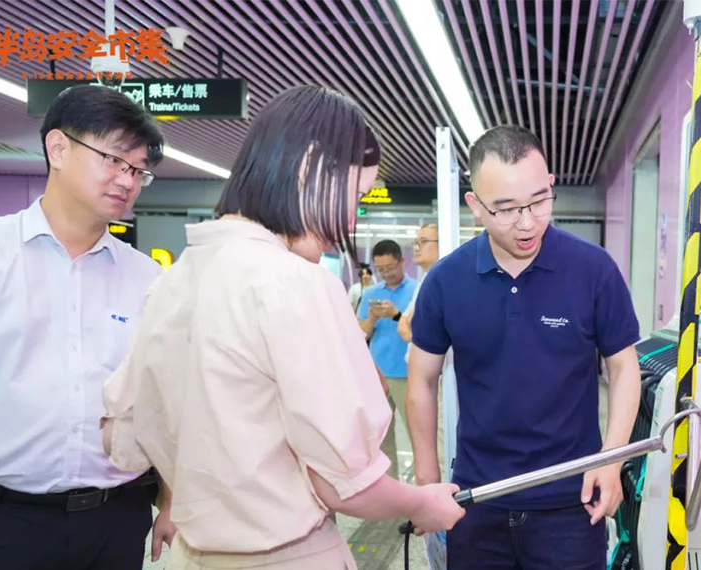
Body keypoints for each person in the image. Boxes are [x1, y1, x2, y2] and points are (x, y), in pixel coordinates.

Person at [100, 85, 464, 570]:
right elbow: (343, 482)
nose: (349, 219)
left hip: (192, 555)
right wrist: (423, 502)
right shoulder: (296, 283)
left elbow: (121, 439)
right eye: (354, 196)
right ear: (311, 167)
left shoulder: (175, 280)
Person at [0, 85, 171, 570]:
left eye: (138, 170)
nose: (127, 180)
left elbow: (158, 401)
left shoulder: (147, 278)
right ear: (58, 148)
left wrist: (171, 497)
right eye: (114, 159)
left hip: (117, 520)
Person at [406, 125, 641, 569]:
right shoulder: (445, 281)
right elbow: (421, 379)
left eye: (539, 201)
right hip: (478, 502)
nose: (528, 222)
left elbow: (624, 367)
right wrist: (427, 480)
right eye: (507, 209)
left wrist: (611, 461)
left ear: (551, 184)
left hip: (571, 503)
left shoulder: (593, 269)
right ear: (476, 205)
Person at [358, 240, 417, 419]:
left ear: (402, 261)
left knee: (413, 426)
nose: (386, 274)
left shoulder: (417, 290)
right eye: (380, 269)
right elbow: (360, 335)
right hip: (377, 372)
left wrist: (396, 314)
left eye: (390, 268)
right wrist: (372, 318)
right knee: (380, 430)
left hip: (408, 372)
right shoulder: (370, 293)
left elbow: (422, 330)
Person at [397, 223, 439, 345]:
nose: (416, 248)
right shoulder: (425, 280)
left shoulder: (447, 282)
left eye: (423, 241)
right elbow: (403, 325)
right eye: (415, 242)